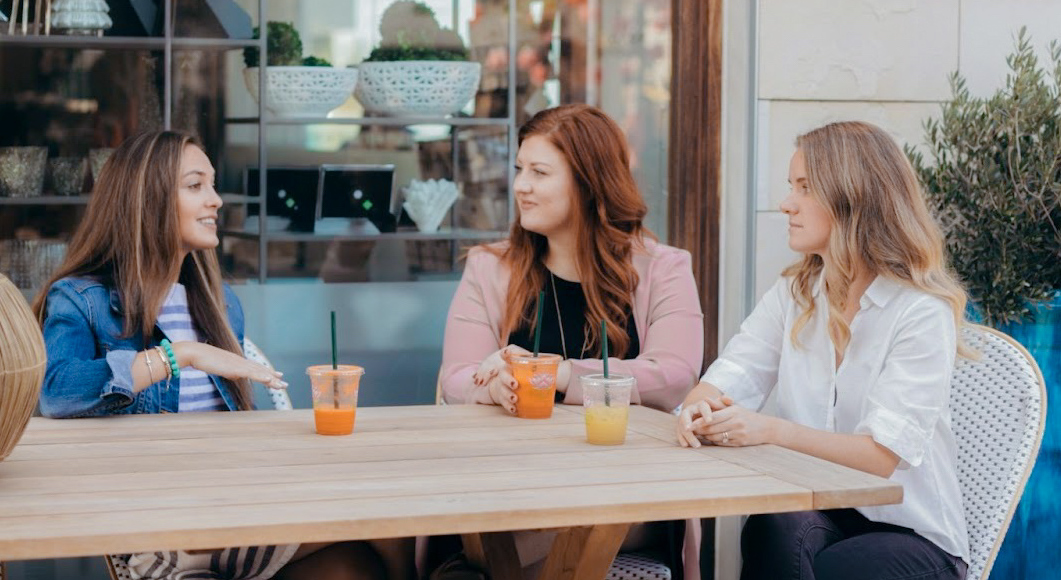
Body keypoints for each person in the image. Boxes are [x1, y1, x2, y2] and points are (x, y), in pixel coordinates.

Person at [34, 130, 413, 580]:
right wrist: (183, 355)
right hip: (162, 530)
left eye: (212, 185)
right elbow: (56, 393)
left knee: (383, 531)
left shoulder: (219, 302)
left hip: (235, 511)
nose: (215, 200)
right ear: (147, 200)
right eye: (196, 186)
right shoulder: (81, 300)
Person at [676, 121, 970, 580]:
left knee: (834, 567)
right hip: (821, 515)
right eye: (790, 186)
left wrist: (770, 430)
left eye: (805, 188)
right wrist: (699, 410)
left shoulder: (919, 311)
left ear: (851, 198)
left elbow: (880, 457)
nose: (785, 203)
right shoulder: (796, 293)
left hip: (913, 537)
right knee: (772, 526)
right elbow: (733, 371)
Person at [437, 103, 703, 576]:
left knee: (519, 536)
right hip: (509, 478)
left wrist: (559, 374)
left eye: (539, 172)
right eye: (519, 170)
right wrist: (495, 387)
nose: (521, 186)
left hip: (623, 487)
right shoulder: (489, 267)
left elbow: (676, 374)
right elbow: (456, 377)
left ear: (589, 183)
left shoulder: (663, 268)